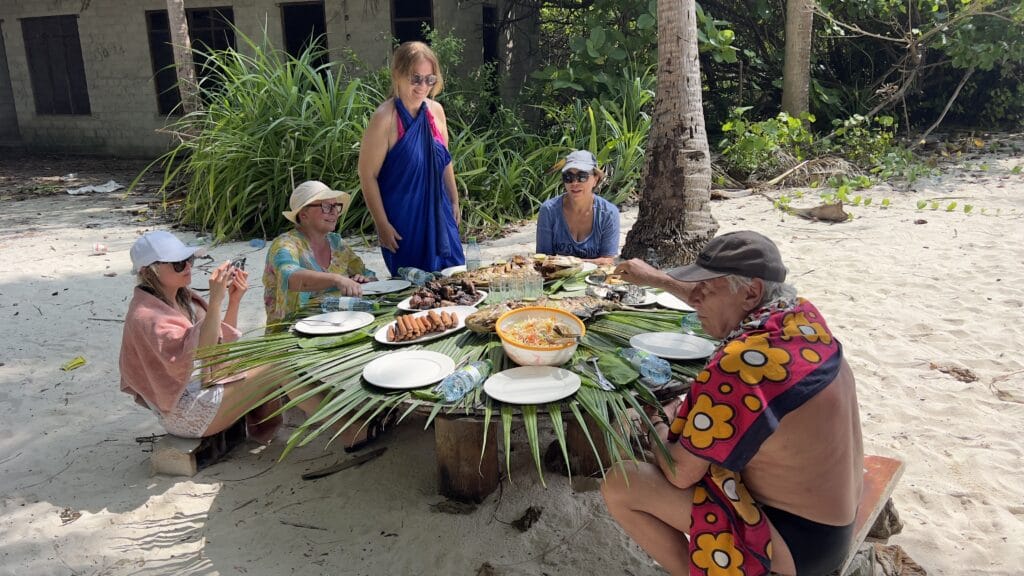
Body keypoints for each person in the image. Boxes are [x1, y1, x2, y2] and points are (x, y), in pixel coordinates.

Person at [602, 231, 864, 576]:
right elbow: (725, 301)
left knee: (622, 483)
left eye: (706, 290)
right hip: (833, 521)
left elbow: (680, 473)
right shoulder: (797, 316)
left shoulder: (741, 363)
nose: (695, 300)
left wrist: (657, 419)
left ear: (752, 291)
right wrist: (656, 279)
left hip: (798, 547)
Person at [119, 230, 285, 444]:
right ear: (149, 271)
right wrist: (216, 300)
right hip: (185, 413)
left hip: (202, 393)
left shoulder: (184, 298)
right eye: (178, 264)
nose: (188, 267)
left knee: (269, 357)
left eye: (188, 260)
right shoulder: (147, 316)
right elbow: (207, 358)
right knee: (278, 365)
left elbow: (219, 350)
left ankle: (264, 432)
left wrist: (233, 301)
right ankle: (341, 433)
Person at [357, 40, 464, 276]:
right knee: (413, 294)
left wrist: (455, 201)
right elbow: (367, 175)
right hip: (403, 223)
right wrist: (382, 224)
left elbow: (444, 160)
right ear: (398, 74)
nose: (422, 86)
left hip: (441, 213)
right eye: (415, 78)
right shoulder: (384, 118)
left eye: (430, 79)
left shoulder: (436, 111)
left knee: (456, 281)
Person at [263, 180, 377, 330]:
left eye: (335, 206)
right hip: (293, 332)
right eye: (326, 206)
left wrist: (363, 279)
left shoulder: (337, 243)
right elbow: (290, 277)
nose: (334, 212)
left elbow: (369, 276)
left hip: (339, 325)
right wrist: (337, 279)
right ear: (303, 214)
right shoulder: (285, 245)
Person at [535, 150, 620, 266]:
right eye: (568, 177)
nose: (574, 183)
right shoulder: (549, 211)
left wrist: (572, 263)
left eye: (582, 177)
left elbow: (608, 261)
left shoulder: (608, 213)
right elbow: (542, 259)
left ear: (595, 179)